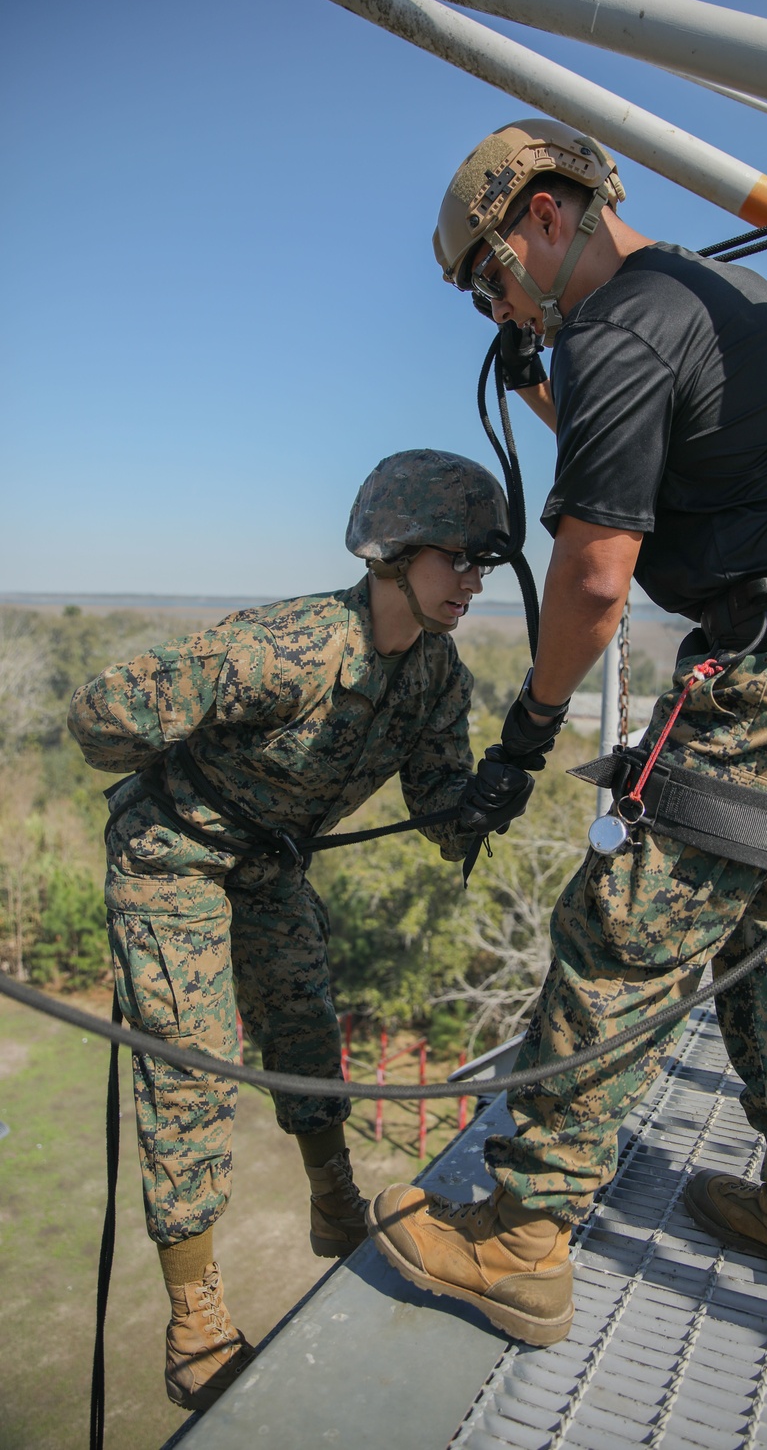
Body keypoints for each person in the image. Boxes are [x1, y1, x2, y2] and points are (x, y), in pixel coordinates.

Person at [366, 120, 767, 1346]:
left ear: (540, 218)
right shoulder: (715, 288)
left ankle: (521, 1240)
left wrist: (526, 734)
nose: (492, 305)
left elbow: (591, 578)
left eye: (486, 277)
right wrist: (552, 377)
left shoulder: (625, 323)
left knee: (620, 938)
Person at [68, 448, 535, 1409]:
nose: (474, 583)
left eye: (484, 566)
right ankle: (193, 1317)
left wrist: (487, 797)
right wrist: (157, 758)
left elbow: (441, 813)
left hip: (268, 861)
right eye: (460, 559)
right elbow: (103, 711)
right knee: (190, 1065)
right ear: (392, 554)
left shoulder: (437, 677)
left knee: (307, 1026)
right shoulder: (287, 647)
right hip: (173, 857)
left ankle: (333, 1203)